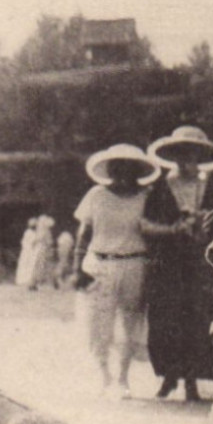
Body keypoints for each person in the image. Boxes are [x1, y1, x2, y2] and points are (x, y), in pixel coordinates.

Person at [73, 143, 162, 397]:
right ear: (110, 169)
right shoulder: (96, 195)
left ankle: (123, 378)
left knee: (131, 323)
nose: (123, 173)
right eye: (118, 167)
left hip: (135, 263)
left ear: (137, 170)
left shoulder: (147, 197)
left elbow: (153, 233)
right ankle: (104, 376)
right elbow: (84, 233)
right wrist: (77, 268)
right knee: (99, 323)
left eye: (129, 167)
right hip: (100, 263)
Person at [141, 126, 213, 402]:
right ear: (174, 157)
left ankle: (191, 380)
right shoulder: (161, 188)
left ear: (200, 156)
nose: (188, 160)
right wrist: (173, 229)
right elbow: (144, 224)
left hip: (201, 262)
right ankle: (170, 376)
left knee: (197, 318)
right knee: (167, 318)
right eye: (182, 154)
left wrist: (205, 225)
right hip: (169, 262)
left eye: (193, 154)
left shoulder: (212, 186)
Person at [14, 217, 42, 289]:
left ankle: (31, 282)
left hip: (29, 252)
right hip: (29, 252)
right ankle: (27, 282)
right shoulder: (30, 233)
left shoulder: (29, 232)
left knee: (30, 267)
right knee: (29, 266)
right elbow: (32, 242)